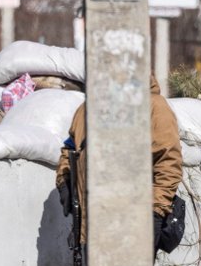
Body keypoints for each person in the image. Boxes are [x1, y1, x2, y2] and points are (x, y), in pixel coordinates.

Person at [56, 76, 183, 250]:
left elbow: (168, 163)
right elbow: (69, 148)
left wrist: (155, 213)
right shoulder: (86, 110)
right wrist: (64, 180)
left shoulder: (154, 108)